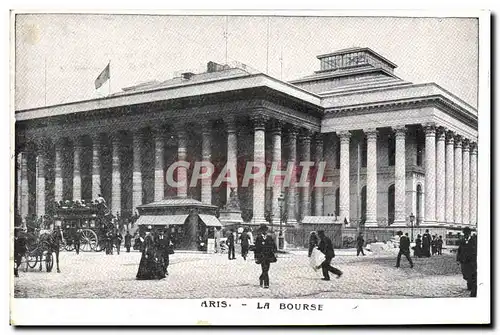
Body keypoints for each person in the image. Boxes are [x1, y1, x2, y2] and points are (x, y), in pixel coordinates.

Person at [456, 227, 477, 297]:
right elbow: (459, 250)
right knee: (465, 273)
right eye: (465, 234)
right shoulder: (462, 241)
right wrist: (458, 259)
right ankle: (469, 282)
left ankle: (470, 285)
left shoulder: (474, 240)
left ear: (469, 234)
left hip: (471, 261)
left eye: (467, 234)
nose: (466, 235)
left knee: (472, 273)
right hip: (464, 261)